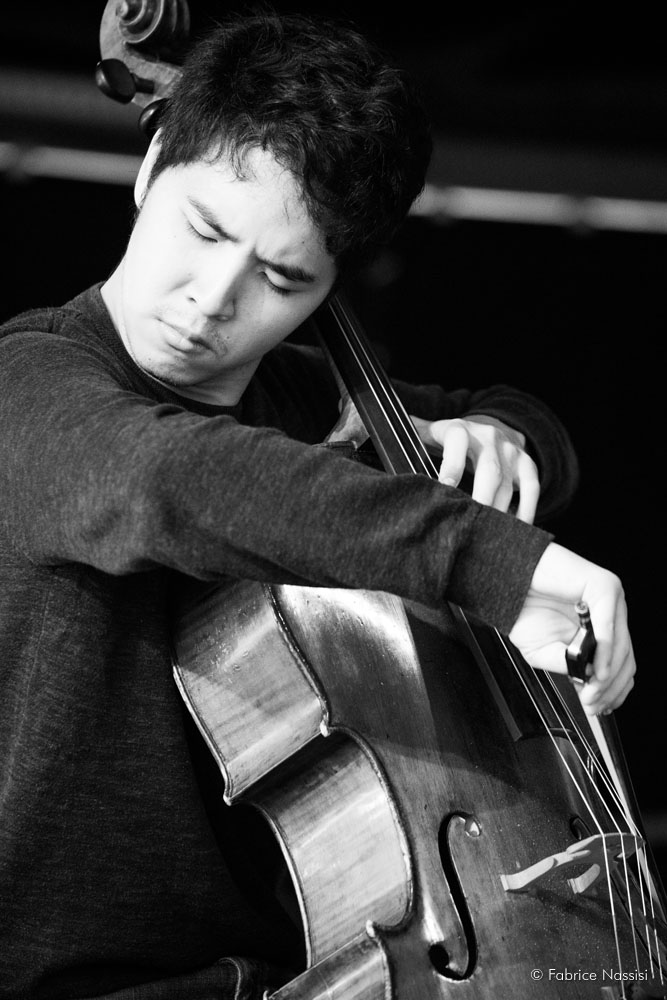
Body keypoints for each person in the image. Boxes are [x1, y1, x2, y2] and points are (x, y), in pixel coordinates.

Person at [0, 8, 635, 1000]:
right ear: (152, 164)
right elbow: (170, 479)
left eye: (282, 277)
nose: (214, 298)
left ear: (330, 286)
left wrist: (505, 440)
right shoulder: (30, 383)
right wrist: (493, 561)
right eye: (205, 228)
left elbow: (522, 420)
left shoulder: (311, 405)